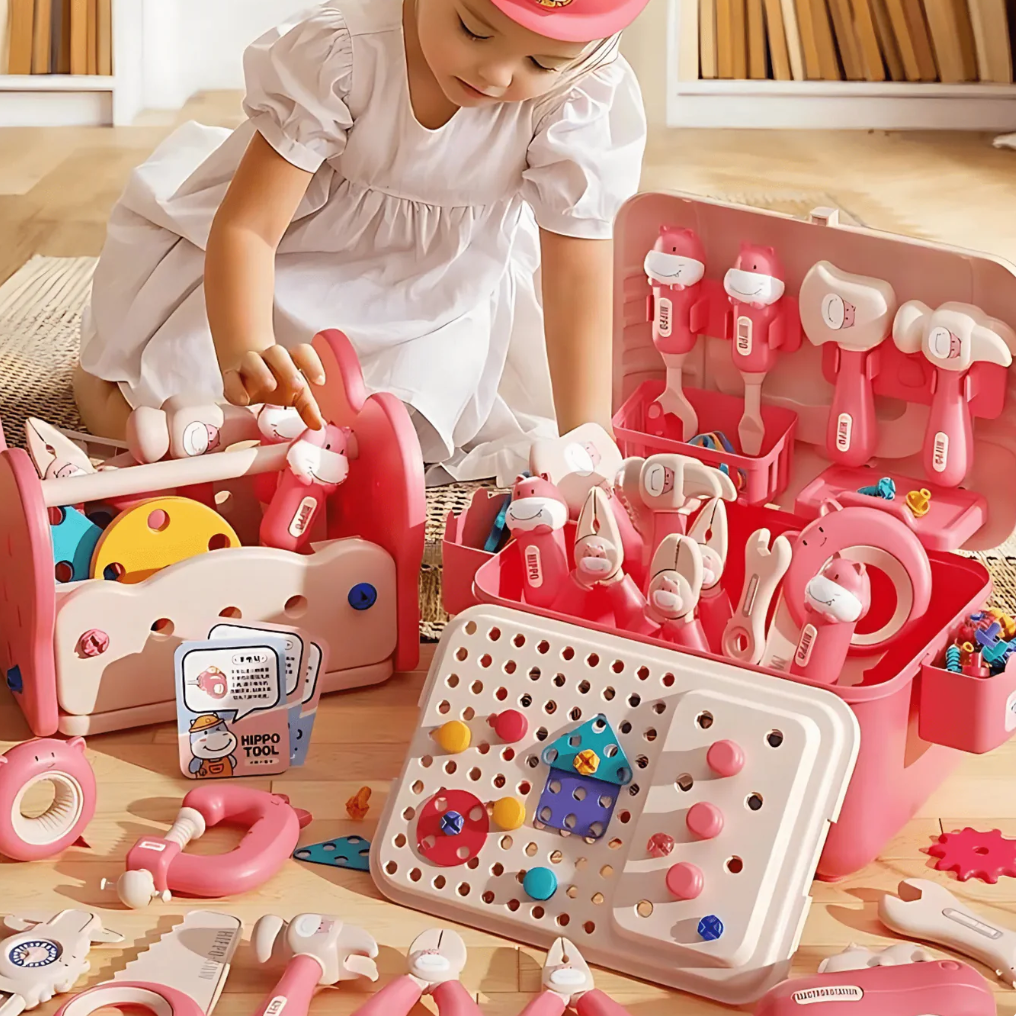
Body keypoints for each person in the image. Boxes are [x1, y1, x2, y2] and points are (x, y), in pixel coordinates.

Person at [75, 0, 648, 483]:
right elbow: (248, 229)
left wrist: (586, 444)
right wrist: (245, 348)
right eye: (474, 31)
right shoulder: (348, 50)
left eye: (541, 63)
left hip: (433, 297)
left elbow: (575, 280)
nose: (497, 75)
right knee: (170, 408)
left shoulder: (580, 93)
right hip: (289, 263)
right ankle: (95, 385)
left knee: (384, 440)